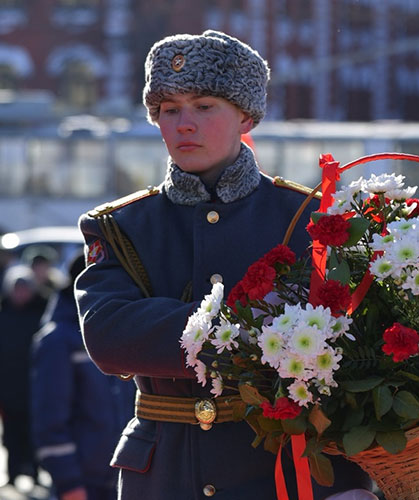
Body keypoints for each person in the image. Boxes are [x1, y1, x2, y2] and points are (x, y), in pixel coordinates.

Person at [74, 30, 373, 499]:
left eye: (204, 106)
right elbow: (109, 335)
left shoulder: (308, 220)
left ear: (246, 115)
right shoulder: (123, 226)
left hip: (282, 472)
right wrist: (260, 328)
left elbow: (357, 342)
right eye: (169, 110)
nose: (183, 124)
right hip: (164, 476)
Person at [31, 255, 135, 500]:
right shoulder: (56, 341)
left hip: (121, 479)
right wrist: (69, 483)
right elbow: (49, 420)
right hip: (83, 486)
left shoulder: (113, 333)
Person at [0, 265, 48, 491]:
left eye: (24, 288)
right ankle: (12, 474)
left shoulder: (42, 314)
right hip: (8, 388)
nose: (21, 293)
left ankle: (37, 473)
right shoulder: (3, 315)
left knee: (35, 433)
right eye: (17, 288)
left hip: (36, 386)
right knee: (11, 434)